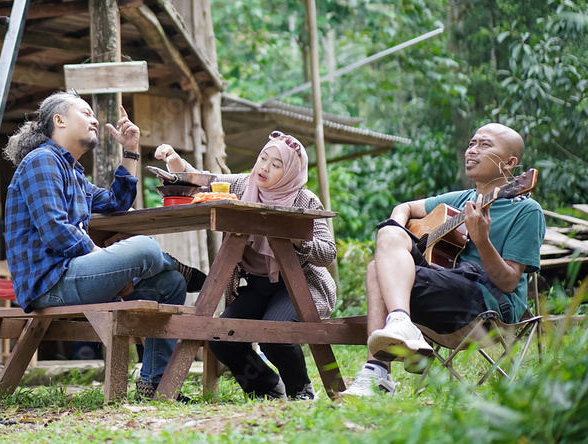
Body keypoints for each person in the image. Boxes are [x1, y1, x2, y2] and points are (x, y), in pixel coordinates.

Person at [2, 91, 202, 400]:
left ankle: (154, 385)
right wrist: (104, 260)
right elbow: (55, 230)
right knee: (144, 249)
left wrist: (132, 150)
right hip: (50, 282)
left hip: (73, 274)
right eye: (85, 113)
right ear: (59, 120)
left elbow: (116, 201)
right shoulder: (41, 161)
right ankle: (171, 261)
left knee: (171, 284)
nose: (95, 119)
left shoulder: (73, 172)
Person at [341, 122, 546, 397]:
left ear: (509, 163)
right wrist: (406, 234)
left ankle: (381, 366)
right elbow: (404, 208)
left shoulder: (525, 210)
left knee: (378, 270)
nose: (472, 150)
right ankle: (394, 338)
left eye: (485, 145)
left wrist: (482, 240)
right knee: (388, 236)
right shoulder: (461, 199)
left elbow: (509, 283)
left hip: (488, 305)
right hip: (445, 287)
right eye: (471, 143)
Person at [155, 130, 336, 401]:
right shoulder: (242, 185)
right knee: (221, 336)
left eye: (276, 165)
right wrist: (174, 161)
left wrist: (299, 240)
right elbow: (204, 182)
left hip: (299, 285)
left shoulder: (305, 200)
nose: (265, 167)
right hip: (258, 286)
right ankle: (267, 390)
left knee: (275, 332)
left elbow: (328, 253)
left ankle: (301, 391)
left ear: (290, 173)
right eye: (264, 158)